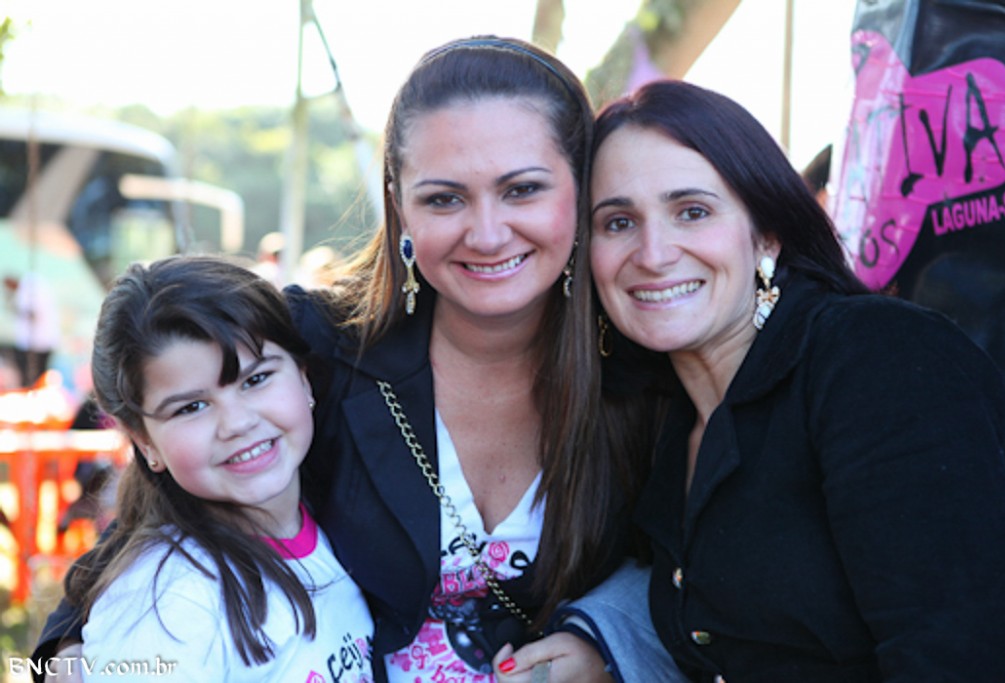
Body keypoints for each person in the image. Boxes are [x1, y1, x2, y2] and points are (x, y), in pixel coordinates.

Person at [36, 37, 650, 683]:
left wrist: (605, 637)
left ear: (581, 188)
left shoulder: (643, 362)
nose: (488, 233)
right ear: (399, 204)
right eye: (444, 199)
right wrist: (75, 658)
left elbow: (684, 560)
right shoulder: (315, 343)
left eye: (522, 190)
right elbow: (139, 552)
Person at [587, 80, 1005, 681]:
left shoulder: (875, 357)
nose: (653, 253)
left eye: (692, 211)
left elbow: (961, 652)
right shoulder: (664, 417)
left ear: (767, 232)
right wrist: (596, 641)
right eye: (618, 222)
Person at [65, 255, 373, 682]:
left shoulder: (336, 524)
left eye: (256, 380)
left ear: (304, 377)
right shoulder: (168, 605)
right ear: (144, 441)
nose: (237, 423)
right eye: (191, 407)